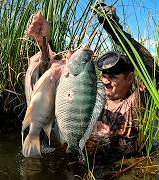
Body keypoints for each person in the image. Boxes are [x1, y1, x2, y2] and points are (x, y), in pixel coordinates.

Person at [26, 3, 156, 162]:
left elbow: (152, 71)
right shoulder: (93, 96)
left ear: (130, 78)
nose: (106, 81)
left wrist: (114, 29)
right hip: (73, 162)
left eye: (113, 76)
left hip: (111, 170)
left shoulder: (136, 104)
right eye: (103, 75)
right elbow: (64, 78)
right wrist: (44, 41)